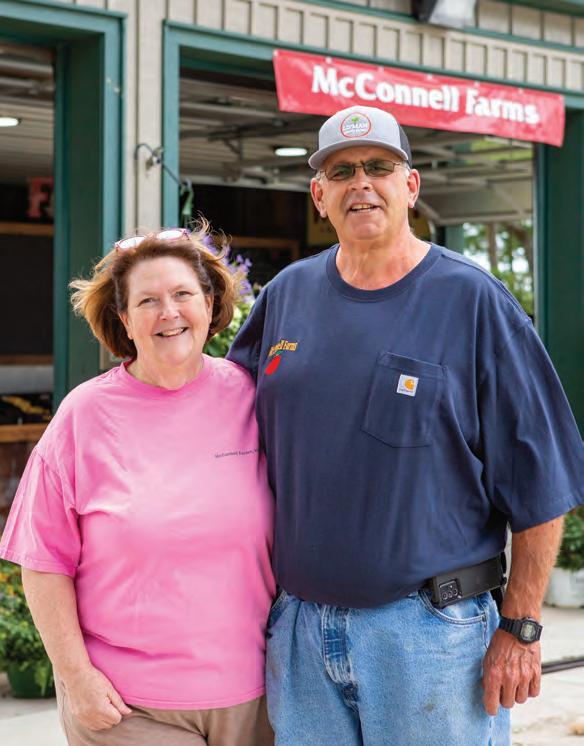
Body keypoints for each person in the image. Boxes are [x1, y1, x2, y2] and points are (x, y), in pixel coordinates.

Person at [227, 105, 584, 745]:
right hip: (301, 635)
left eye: (379, 167)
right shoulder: (286, 295)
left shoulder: (473, 300)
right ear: (319, 196)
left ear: (411, 186)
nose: (360, 183)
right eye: (341, 172)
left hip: (431, 638)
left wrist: (521, 627)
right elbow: (220, 426)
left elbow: (542, 479)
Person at [0, 225, 275, 746]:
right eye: (147, 301)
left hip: (255, 699)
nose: (168, 312)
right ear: (124, 320)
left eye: (182, 294)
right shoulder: (83, 415)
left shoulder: (253, 397)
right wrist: (76, 676)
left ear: (209, 304)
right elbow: (42, 561)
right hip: (126, 707)